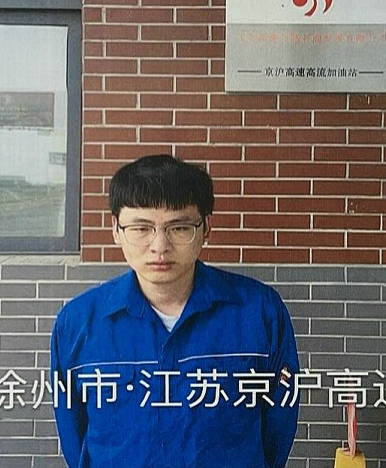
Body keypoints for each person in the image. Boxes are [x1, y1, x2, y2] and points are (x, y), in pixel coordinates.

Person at [51, 154, 300, 468]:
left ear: (206, 227)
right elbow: (74, 434)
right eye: (141, 228)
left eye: (179, 228)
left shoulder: (260, 312)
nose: (159, 246)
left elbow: (278, 425)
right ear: (116, 229)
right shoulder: (78, 323)